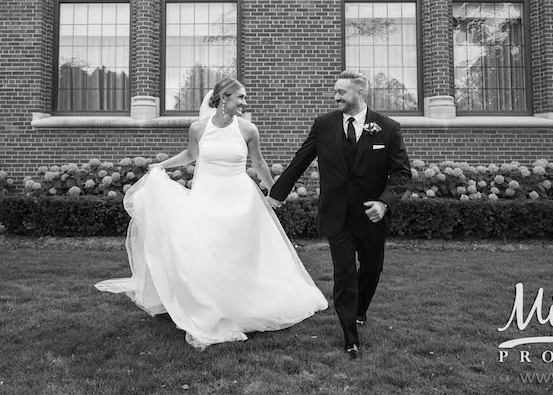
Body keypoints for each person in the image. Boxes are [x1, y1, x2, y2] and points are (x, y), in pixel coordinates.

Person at [94, 77, 327, 349]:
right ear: (223, 98)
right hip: (207, 195)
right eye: (240, 97)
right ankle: (210, 303)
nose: (244, 102)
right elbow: (191, 155)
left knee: (238, 252)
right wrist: (161, 165)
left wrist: (275, 192)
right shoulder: (198, 128)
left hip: (240, 199)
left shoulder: (248, 130)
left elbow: (259, 164)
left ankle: (243, 302)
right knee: (206, 249)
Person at [269, 70, 411, 359]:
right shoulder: (323, 125)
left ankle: (360, 310)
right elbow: (300, 160)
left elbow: (401, 173)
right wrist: (275, 195)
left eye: (341, 92)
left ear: (360, 93)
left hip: (372, 215)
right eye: (335, 91)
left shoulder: (388, 128)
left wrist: (384, 203)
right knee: (344, 274)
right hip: (337, 215)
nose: (335, 97)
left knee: (372, 269)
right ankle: (350, 335)